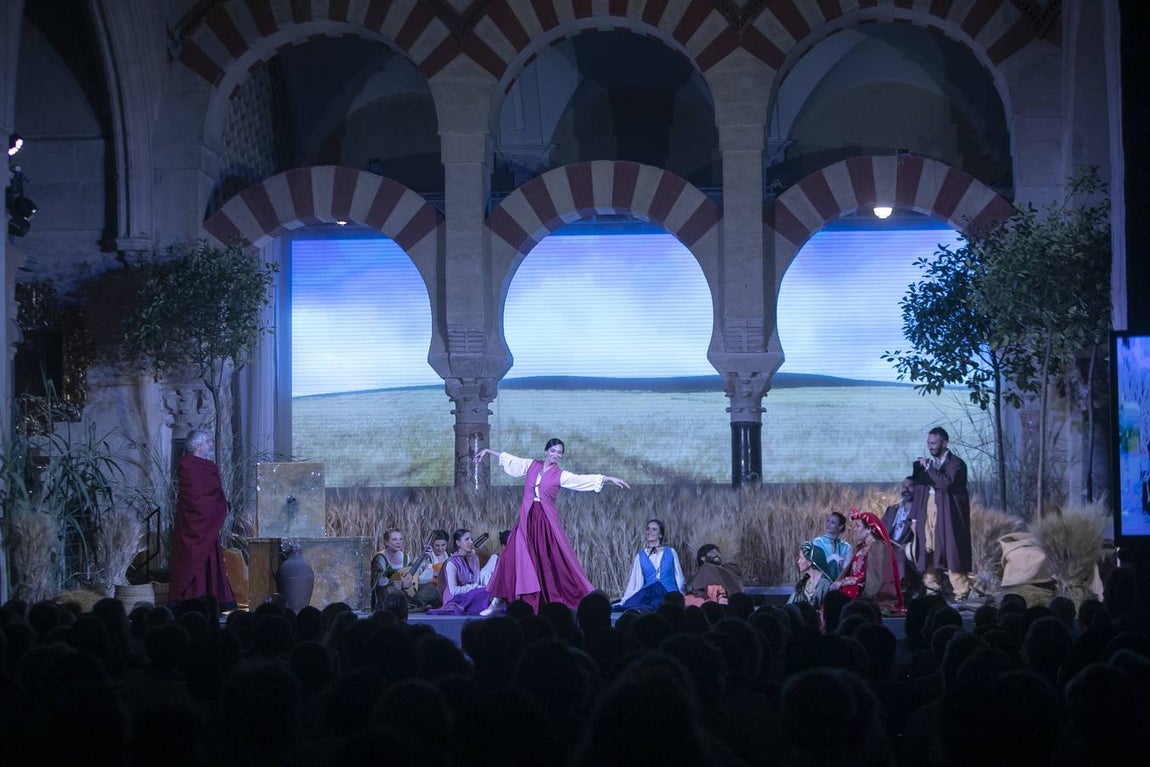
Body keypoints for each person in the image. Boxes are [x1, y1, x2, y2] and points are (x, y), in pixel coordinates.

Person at [475, 438, 630, 613]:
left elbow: (581, 480)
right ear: (546, 451)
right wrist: (488, 452)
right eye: (553, 451)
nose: (556, 455)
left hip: (544, 523)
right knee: (508, 557)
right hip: (526, 521)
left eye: (559, 452)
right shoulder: (532, 465)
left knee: (545, 560)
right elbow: (511, 460)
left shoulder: (560, 475)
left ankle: (541, 602)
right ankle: (496, 602)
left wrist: (607, 478)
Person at [168, 429, 236, 610]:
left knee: (210, 559)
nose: (211, 444)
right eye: (207, 441)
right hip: (194, 524)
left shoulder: (207, 466)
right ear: (197, 446)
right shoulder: (188, 465)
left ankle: (214, 597)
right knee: (193, 560)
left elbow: (211, 494)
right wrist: (218, 508)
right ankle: (188, 598)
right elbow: (194, 498)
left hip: (207, 524)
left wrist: (220, 505)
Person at [910, 426, 974, 601]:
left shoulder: (956, 464)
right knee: (928, 551)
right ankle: (932, 591)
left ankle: (961, 593)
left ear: (944, 443)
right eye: (928, 443)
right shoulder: (927, 464)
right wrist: (915, 518)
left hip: (947, 514)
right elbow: (919, 490)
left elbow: (945, 483)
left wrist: (929, 469)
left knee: (950, 551)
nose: (930, 446)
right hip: (927, 511)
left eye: (934, 443)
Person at [832, 508, 904, 614]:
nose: (854, 529)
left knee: (838, 598)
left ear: (869, 529)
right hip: (858, 586)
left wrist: (842, 583)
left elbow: (873, 576)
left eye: (858, 526)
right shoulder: (863, 547)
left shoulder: (878, 546)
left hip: (868, 592)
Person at [614, 519, 685, 610]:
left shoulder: (670, 552)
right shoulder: (641, 555)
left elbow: (679, 578)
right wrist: (625, 600)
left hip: (668, 592)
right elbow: (635, 581)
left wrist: (682, 596)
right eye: (648, 529)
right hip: (649, 592)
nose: (649, 531)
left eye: (654, 529)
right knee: (630, 607)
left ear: (660, 534)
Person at [371, 529, 440, 611]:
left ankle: (412, 605)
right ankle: (413, 606)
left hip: (405, 592)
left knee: (432, 589)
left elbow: (412, 575)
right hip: (386, 592)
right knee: (390, 590)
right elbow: (379, 580)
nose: (398, 542)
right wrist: (400, 582)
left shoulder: (405, 557)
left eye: (400, 539)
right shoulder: (380, 558)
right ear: (386, 542)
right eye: (394, 539)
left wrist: (423, 559)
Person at [428, 529, 492, 615]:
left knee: (489, 591)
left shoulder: (472, 559)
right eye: (467, 539)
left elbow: (474, 580)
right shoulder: (451, 563)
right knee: (485, 592)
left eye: (471, 539)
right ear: (458, 543)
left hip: (470, 595)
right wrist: (474, 587)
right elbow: (454, 591)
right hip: (455, 599)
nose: (470, 542)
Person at [882, 476, 921, 595]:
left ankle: (901, 593)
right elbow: (881, 528)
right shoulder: (892, 510)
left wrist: (910, 546)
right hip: (889, 546)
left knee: (900, 556)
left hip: (906, 549)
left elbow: (923, 535)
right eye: (904, 486)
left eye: (910, 486)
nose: (906, 489)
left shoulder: (920, 511)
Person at [788, 541, 833, 608]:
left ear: (810, 562)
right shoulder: (803, 583)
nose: (798, 562)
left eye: (801, 558)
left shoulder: (824, 584)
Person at [811, 512, 853, 581]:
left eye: (832, 522)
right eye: (828, 521)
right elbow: (816, 567)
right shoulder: (817, 542)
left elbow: (846, 570)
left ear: (840, 526)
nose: (828, 524)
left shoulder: (846, 547)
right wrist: (832, 558)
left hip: (839, 583)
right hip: (820, 582)